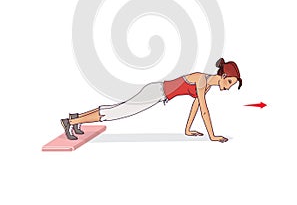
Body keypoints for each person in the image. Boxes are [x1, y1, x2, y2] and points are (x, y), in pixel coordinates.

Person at [61, 58, 242, 143]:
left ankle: (76, 118)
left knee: (113, 109)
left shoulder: (206, 85)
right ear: (223, 75)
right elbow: (204, 110)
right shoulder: (202, 81)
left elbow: (195, 108)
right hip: (155, 92)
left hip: (157, 93)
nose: (228, 87)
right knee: (114, 112)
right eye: (229, 82)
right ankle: (70, 122)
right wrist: (212, 136)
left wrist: (187, 130)